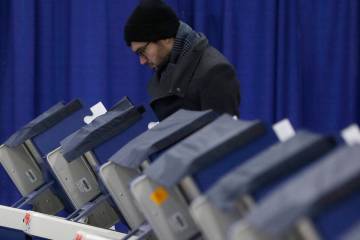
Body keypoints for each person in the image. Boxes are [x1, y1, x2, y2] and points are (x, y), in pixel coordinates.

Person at [124, 0, 240, 120]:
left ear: (166, 38)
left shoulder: (215, 72)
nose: (142, 61)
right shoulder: (167, 67)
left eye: (142, 51)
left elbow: (221, 135)